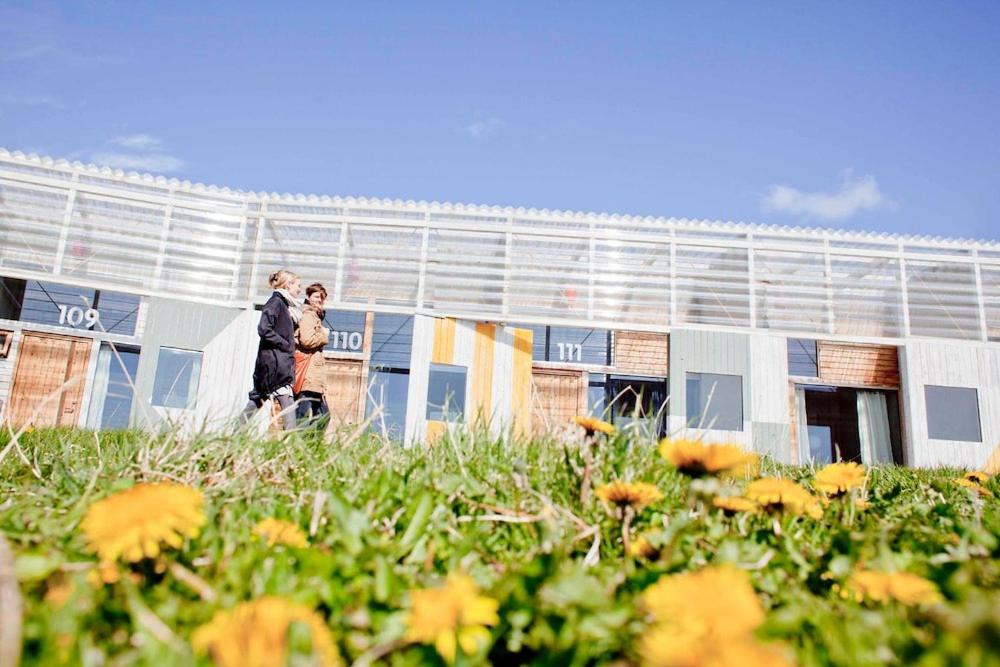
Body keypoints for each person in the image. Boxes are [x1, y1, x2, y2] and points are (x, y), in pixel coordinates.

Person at [242, 269, 302, 430]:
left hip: (276, 364)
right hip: (274, 366)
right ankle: (292, 446)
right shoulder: (276, 303)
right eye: (298, 285)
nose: (300, 289)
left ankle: (231, 437)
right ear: (288, 285)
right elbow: (263, 328)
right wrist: (285, 344)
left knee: (256, 402)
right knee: (287, 403)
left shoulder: (285, 306)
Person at [294, 282, 331, 426]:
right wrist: (324, 335)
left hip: (314, 378)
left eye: (322, 297)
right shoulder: (308, 315)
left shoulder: (315, 316)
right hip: (308, 376)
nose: (319, 300)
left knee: (321, 416)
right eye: (316, 296)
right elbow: (307, 340)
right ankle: (297, 445)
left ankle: (307, 446)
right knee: (303, 416)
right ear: (308, 297)